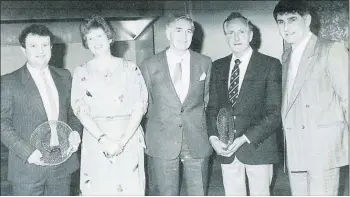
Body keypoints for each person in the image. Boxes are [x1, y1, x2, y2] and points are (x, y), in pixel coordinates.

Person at [273, 0, 348, 195]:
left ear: (306, 20)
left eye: (292, 20)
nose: (286, 27)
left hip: (323, 148)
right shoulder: (286, 55)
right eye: (281, 22)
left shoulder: (331, 49)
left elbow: (347, 99)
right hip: (296, 146)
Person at [71, 15, 148, 195]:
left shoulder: (131, 68)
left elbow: (140, 106)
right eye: (90, 38)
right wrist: (103, 139)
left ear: (110, 38)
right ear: (86, 43)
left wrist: (121, 142)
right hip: (96, 140)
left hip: (127, 138)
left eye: (99, 36)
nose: (96, 42)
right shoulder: (81, 72)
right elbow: (80, 111)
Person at [206, 12, 282, 195]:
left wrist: (243, 138)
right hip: (226, 151)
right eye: (230, 33)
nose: (236, 37)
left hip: (258, 146)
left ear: (251, 35)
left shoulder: (270, 65)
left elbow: (274, 113)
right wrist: (214, 138)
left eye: (241, 32)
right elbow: (212, 108)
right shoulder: (218, 66)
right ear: (226, 37)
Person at [1, 24, 82, 196]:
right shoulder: (9, 82)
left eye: (45, 45)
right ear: (23, 49)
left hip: (61, 166)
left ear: (51, 47)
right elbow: (2, 124)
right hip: (28, 168)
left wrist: (75, 132)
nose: (41, 50)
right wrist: (28, 152)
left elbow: (73, 113)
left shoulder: (65, 76)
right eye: (33, 46)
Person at [139, 14, 213, 195]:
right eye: (178, 30)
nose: (184, 36)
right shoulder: (149, 65)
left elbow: (206, 99)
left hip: (196, 138)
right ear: (168, 33)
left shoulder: (205, 62)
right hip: (163, 140)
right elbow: (145, 104)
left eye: (189, 31)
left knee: (198, 192)